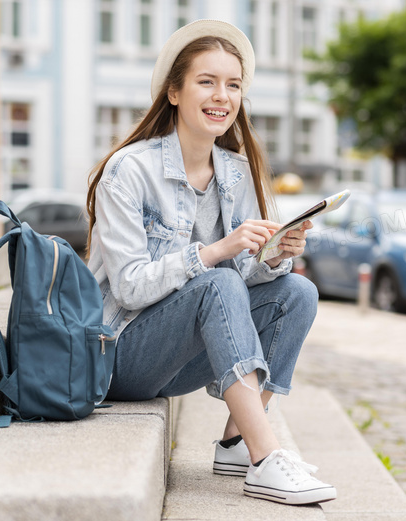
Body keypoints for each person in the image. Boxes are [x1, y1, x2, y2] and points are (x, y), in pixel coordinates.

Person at [84, 19, 337, 506]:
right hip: (118, 355)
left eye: (233, 84)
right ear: (174, 92)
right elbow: (132, 288)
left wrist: (273, 256)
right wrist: (218, 251)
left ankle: (238, 445)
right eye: (207, 81)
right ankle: (268, 458)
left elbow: (243, 281)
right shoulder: (129, 170)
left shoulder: (236, 171)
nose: (222, 95)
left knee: (296, 293)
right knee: (216, 284)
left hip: (178, 357)